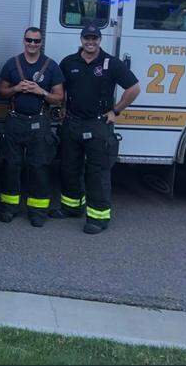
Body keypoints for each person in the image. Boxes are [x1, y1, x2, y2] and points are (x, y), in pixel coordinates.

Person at [54, 24, 141, 234]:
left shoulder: (112, 63)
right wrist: (62, 108)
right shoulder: (69, 62)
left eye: (94, 38)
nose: (90, 42)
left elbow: (134, 88)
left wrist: (116, 111)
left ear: (100, 40)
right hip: (72, 123)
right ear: (81, 39)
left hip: (98, 124)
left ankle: (98, 217)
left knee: (97, 172)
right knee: (69, 168)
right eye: (87, 38)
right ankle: (71, 207)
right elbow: (61, 89)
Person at [0, 27, 64, 227]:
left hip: (39, 122)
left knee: (39, 167)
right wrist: (16, 88)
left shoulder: (51, 66)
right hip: (14, 121)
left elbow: (59, 97)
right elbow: (1, 91)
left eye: (36, 41)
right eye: (29, 40)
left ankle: (37, 211)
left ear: (41, 43)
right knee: (11, 165)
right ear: (23, 40)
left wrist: (41, 91)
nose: (32, 44)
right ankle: (9, 208)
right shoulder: (12, 63)